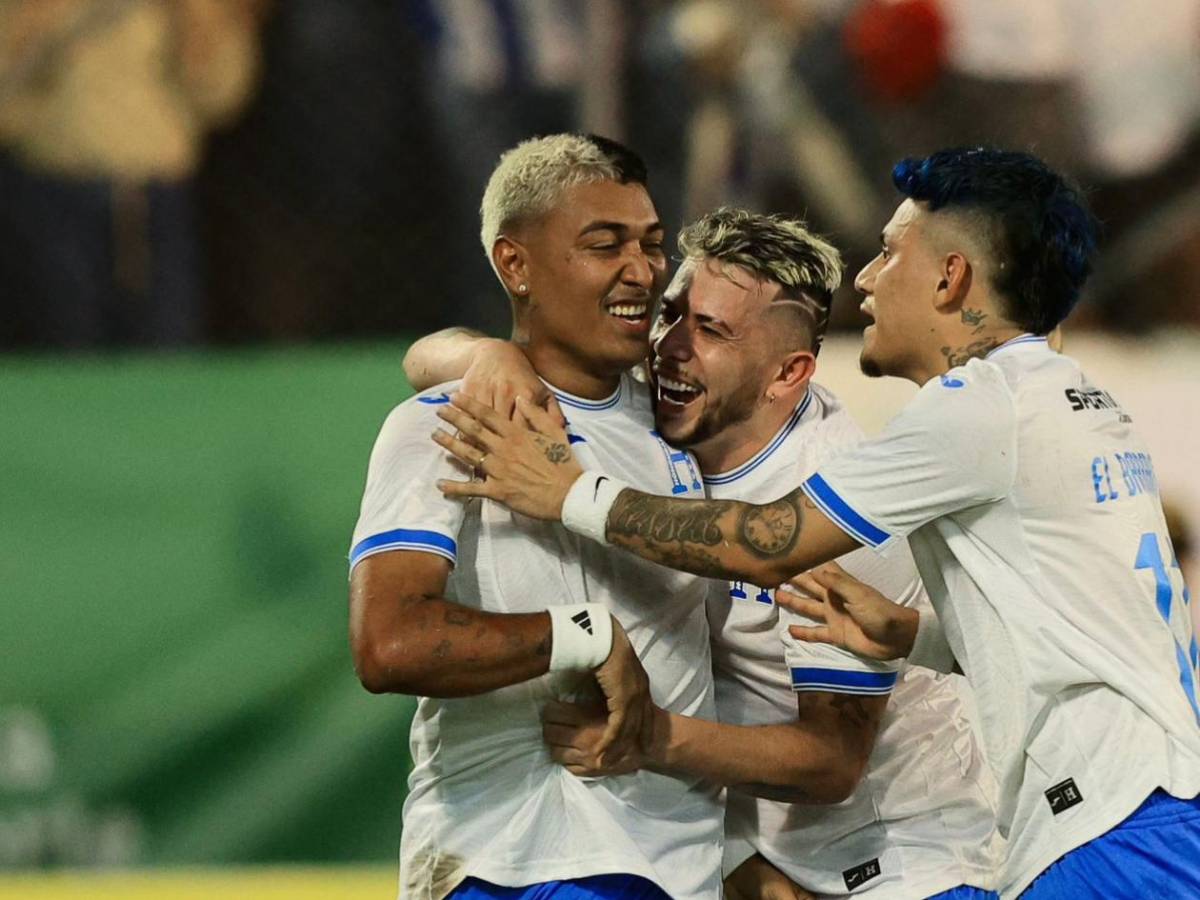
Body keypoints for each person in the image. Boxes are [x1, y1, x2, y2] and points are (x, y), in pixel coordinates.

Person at [431, 148, 1200, 899]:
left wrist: (568, 494)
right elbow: (1064, 619)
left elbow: (760, 546)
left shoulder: (966, 414)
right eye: (675, 316)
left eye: (890, 253)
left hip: (1074, 829)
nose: (867, 278)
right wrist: (490, 357)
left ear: (951, 275)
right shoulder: (1056, 397)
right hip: (1131, 806)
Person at [414, 208, 1001, 898]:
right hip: (748, 842)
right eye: (672, 314)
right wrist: (495, 358)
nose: (669, 347)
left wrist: (646, 736)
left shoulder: (840, 507)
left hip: (901, 857)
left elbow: (832, 760)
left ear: (788, 374)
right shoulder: (649, 413)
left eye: (712, 330)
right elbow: (423, 356)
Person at [349, 133, 724, 900]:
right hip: (520, 861)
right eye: (604, 244)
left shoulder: (688, 421)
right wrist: (578, 634)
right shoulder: (447, 424)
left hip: (684, 868)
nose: (641, 271)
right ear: (514, 265)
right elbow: (388, 643)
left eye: (652, 245)